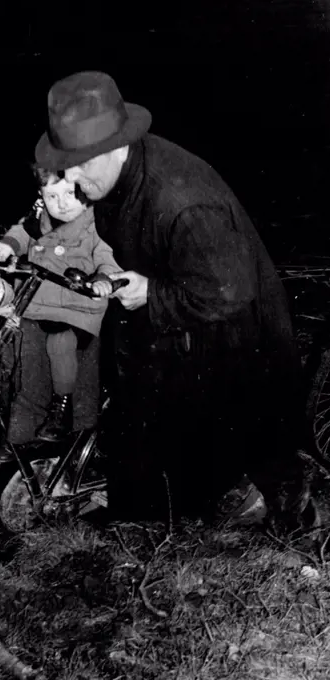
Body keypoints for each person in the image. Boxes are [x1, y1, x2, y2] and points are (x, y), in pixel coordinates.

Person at [33, 70, 318, 532]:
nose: (72, 177)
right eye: (67, 164)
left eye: (82, 164)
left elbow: (230, 291)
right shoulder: (110, 177)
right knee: (139, 410)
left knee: (246, 427)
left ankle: (288, 508)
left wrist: (152, 293)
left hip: (231, 319)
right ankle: (143, 512)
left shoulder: (181, 199)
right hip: (171, 304)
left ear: (115, 146)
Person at [0, 165, 121, 445]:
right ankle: (18, 438)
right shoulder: (36, 220)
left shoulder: (95, 225)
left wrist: (103, 279)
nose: (61, 203)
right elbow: (19, 234)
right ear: (41, 196)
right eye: (52, 196)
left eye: (69, 193)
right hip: (34, 305)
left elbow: (107, 259)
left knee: (60, 343)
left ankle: (62, 409)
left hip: (77, 310)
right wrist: (7, 244)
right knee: (19, 360)